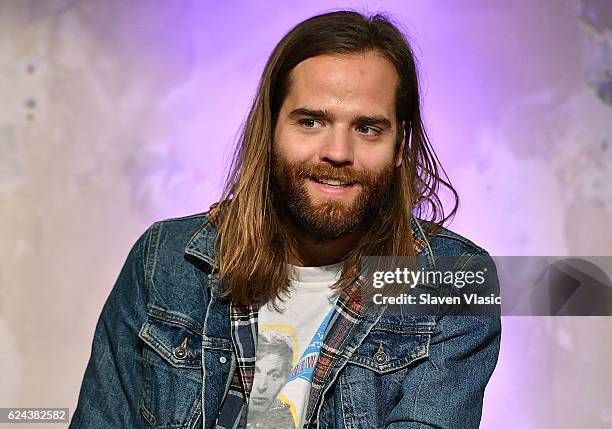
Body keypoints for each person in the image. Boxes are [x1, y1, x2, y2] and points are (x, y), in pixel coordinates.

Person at [70, 10, 501, 429]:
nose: (338, 152)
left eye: (368, 128)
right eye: (311, 121)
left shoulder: (453, 280)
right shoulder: (164, 260)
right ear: (271, 127)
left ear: (399, 145)